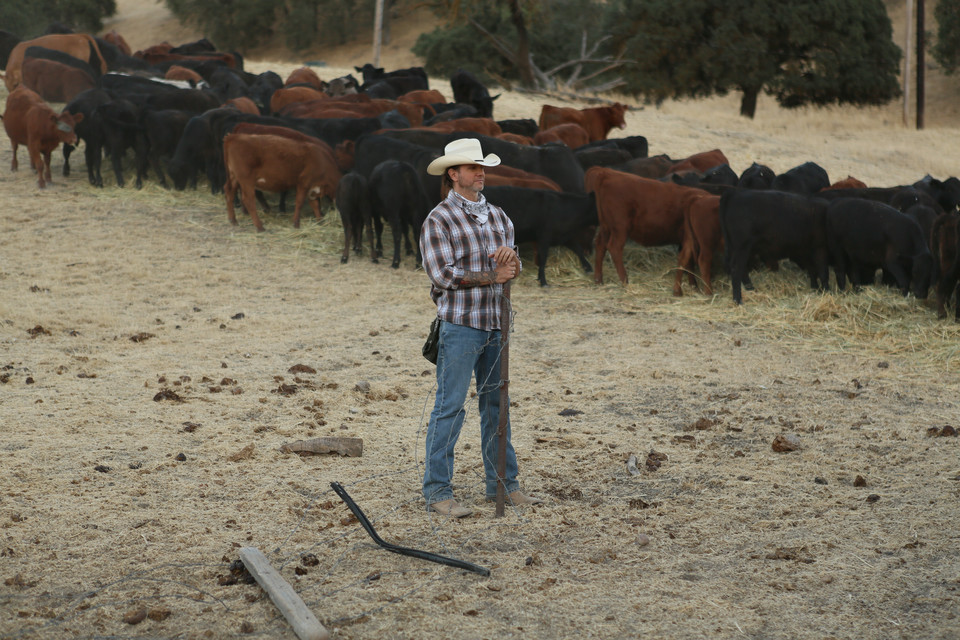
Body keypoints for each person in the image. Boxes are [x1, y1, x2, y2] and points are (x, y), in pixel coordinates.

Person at [419, 138, 542, 518]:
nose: (480, 172)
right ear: (453, 174)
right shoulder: (439, 219)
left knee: (496, 404)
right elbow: (442, 276)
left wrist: (511, 266)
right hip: (460, 325)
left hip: (495, 323)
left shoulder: (501, 217)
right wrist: (495, 274)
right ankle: (438, 491)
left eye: (482, 167)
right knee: (450, 407)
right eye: (472, 167)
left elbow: (512, 269)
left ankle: (503, 484)